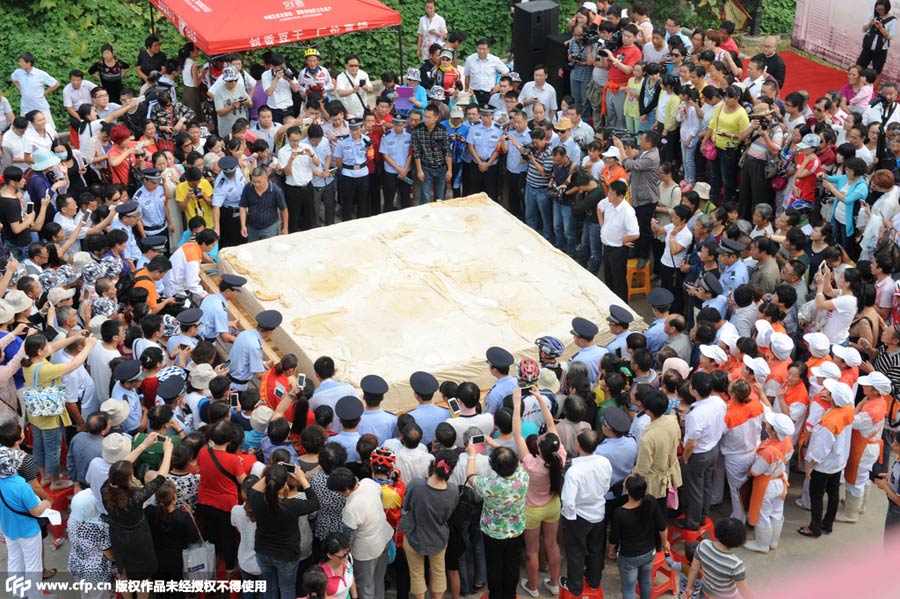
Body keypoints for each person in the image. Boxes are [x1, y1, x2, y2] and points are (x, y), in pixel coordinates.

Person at [22, 331, 97, 489]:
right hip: (49, 417)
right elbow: (74, 364)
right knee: (52, 450)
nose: (49, 347)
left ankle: (44, 477)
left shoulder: (27, 362)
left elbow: (53, 347)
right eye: (45, 346)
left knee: (39, 447)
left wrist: (76, 337)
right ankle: (55, 481)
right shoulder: (44, 369)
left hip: (36, 415)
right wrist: (88, 346)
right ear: (39, 351)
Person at [102, 439, 173, 595]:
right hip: (138, 538)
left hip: (117, 534)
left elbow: (120, 467)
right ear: (129, 478)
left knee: (123, 572)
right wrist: (168, 451)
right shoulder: (135, 497)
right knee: (143, 577)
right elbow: (160, 478)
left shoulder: (106, 488)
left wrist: (143, 445)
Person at [512, 387, 564, 598]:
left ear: (540, 450)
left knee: (532, 551)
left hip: (532, 509)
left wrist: (517, 405)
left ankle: (532, 587)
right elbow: (551, 424)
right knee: (552, 545)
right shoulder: (559, 454)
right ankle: (554, 583)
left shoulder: (532, 464)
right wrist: (541, 399)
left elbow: (517, 433)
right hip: (553, 505)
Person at [247, 463, 319, 599]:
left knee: (268, 587)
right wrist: (302, 479)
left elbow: (252, 489)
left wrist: (271, 472)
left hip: (263, 551)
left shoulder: (256, 499)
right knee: (287, 590)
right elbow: (315, 503)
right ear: (285, 484)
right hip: (286, 556)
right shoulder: (292, 505)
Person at [466, 443, 528, 599]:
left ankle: (495, 595)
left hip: (493, 533)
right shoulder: (523, 477)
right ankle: (510, 594)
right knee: (512, 565)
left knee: (494, 566)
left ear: (493, 467)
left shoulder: (489, 485)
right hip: (516, 530)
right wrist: (494, 444)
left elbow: (470, 476)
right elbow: (513, 460)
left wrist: (472, 454)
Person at [400, 449, 459, 599]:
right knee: (439, 572)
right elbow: (449, 513)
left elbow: (405, 507)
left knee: (416, 574)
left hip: (414, 536)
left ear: (433, 463)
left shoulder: (416, 485)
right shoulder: (453, 491)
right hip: (438, 537)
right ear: (451, 470)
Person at [327, 467, 394, 599]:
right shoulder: (368, 483)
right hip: (383, 537)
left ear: (345, 490)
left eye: (339, 492)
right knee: (378, 581)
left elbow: (348, 537)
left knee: (365, 587)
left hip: (366, 551)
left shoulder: (351, 508)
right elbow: (380, 498)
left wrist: (345, 554)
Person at [799, 379, 855, 538]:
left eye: (830, 393)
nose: (826, 393)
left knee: (816, 496)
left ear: (834, 399)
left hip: (823, 465)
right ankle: (827, 524)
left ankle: (814, 528)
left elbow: (821, 449)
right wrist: (831, 399)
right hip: (838, 461)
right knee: (833, 493)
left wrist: (810, 466)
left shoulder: (829, 422)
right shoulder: (848, 410)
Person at [559, 430, 611, 596]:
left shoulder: (574, 470)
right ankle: (594, 581)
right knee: (596, 549)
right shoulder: (604, 462)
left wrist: (570, 518)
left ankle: (575, 586)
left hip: (579, 516)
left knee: (576, 552)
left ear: (578, 445)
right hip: (598, 512)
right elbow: (606, 486)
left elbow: (568, 500)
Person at [675, 372, 726, 531]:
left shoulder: (696, 414)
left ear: (695, 391)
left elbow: (691, 443)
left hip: (699, 454)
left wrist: (685, 458)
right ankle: (703, 515)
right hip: (713, 449)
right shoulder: (718, 401)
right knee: (706, 484)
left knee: (694, 489)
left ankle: (693, 521)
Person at [610, 474, 670, 599]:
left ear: (627, 490)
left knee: (628, 590)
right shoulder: (650, 502)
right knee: (646, 581)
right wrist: (665, 543)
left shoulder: (620, 513)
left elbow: (614, 537)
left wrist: (611, 549)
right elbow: (662, 527)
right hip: (649, 552)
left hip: (628, 557)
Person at [744, 411, 795, 553]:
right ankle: (773, 542)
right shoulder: (788, 440)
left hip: (766, 485)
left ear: (772, 431)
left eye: (769, 424)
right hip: (780, 480)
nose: (766, 423)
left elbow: (755, 471)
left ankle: (762, 544)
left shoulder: (769, 451)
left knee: (763, 515)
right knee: (777, 512)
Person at [683, 518, 751, 599]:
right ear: (738, 541)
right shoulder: (736, 564)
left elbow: (693, 570)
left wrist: (689, 587)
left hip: (706, 593)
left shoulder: (703, 545)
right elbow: (744, 591)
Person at [598, 179, 640, 300]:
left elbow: (635, 233)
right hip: (606, 246)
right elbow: (599, 207)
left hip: (618, 250)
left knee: (619, 281)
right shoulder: (608, 202)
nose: (608, 196)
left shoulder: (627, 212)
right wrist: (603, 225)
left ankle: (622, 308)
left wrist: (623, 240)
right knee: (608, 278)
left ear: (620, 196)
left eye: (611, 194)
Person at [412, 104, 452, 203]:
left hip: (441, 167)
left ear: (436, 118)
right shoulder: (417, 130)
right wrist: (419, 170)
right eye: (425, 116)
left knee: (440, 196)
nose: (426, 119)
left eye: (429, 117)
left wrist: (449, 170)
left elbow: (447, 150)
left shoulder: (442, 130)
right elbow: (417, 152)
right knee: (425, 195)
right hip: (425, 167)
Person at [11, 52, 59, 131]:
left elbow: (55, 84)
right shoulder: (18, 72)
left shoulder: (40, 74)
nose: (20, 64)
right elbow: (14, 79)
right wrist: (20, 88)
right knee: (27, 130)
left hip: (40, 107)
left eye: (21, 62)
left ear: (29, 63)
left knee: (49, 129)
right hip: (26, 108)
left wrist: (45, 93)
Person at [240, 167, 288, 241]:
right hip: (252, 229)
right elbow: (242, 207)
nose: (256, 184)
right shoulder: (248, 188)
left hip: (270, 228)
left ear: (266, 178)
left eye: (259, 182)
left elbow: (284, 210)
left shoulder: (276, 190)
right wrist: (243, 225)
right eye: (254, 181)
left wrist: (285, 228)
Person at [858, 0, 897, 82]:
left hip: (881, 49)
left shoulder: (892, 20)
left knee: (877, 71)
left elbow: (890, 36)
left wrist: (881, 28)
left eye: (882, 10)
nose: (879, 11)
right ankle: (858, 84)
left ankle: (872, 91)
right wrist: (870, 24)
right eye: (878, 9)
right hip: (868, 46)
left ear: (887, 9)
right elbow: (864, 29)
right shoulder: (873, 14)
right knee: (859, 66)